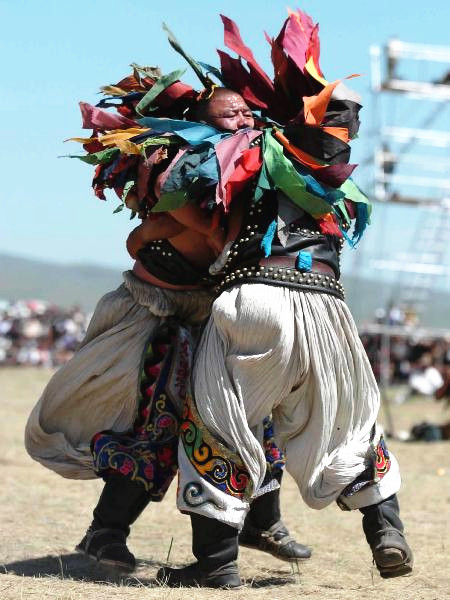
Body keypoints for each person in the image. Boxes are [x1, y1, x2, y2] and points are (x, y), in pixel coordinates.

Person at [153, 14, 414, 589]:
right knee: (347, 422)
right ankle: (386, 530)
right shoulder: (337, 179)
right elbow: (331, 114)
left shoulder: (247, 153)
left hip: (256, 299)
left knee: (220, 423)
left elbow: (171, 189)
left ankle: (217, 566)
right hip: (327, 307)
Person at [25, 90, 310, 573]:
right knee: (154, 426)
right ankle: (105, 533)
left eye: (247, 111)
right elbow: (146, 236)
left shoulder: (261, 174)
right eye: (229, 113)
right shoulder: (178, 169)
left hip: (215, 319)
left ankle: (263, 522)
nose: (243, 118)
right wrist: (197, 236)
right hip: (156, 317)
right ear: (202, 123)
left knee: (253, 420)